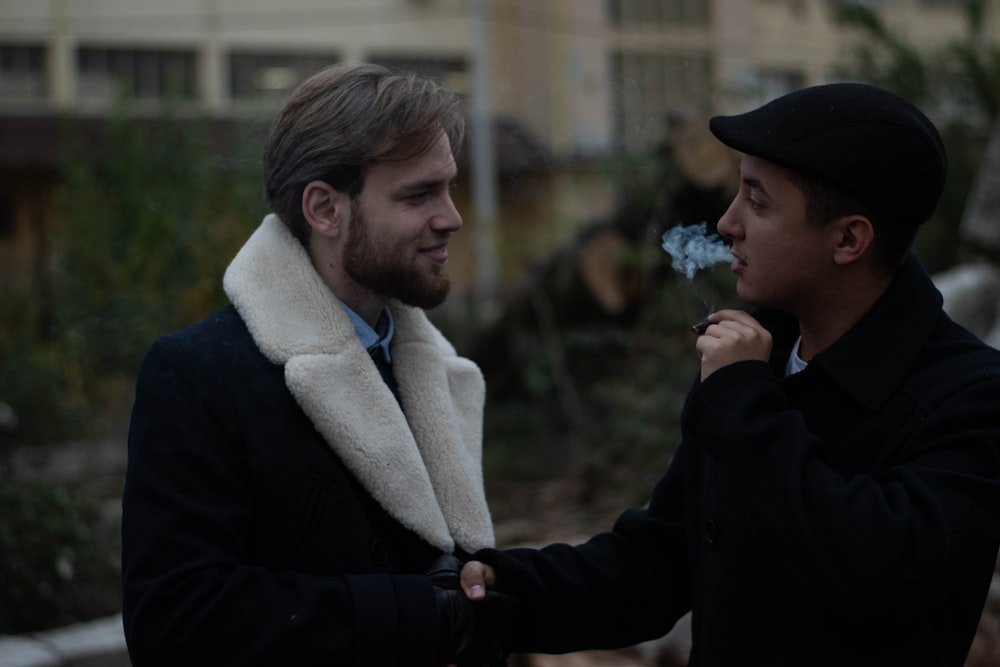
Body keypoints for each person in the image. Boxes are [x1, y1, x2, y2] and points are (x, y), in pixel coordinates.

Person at [460, 82, 1000, 665]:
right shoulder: (753, 360)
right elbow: (657, 564)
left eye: (758, 203)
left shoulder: (969, 395)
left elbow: (873, 567)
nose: (726, 223)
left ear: (849, 238)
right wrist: (498, 590)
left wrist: (745, 401)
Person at [121, 62, 508, 666]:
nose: (452, 216)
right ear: (325, 210)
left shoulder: (436, 369)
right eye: (418, 194)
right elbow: (176, 623)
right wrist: (418, 614)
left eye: (450, 187)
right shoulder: (199, 375)